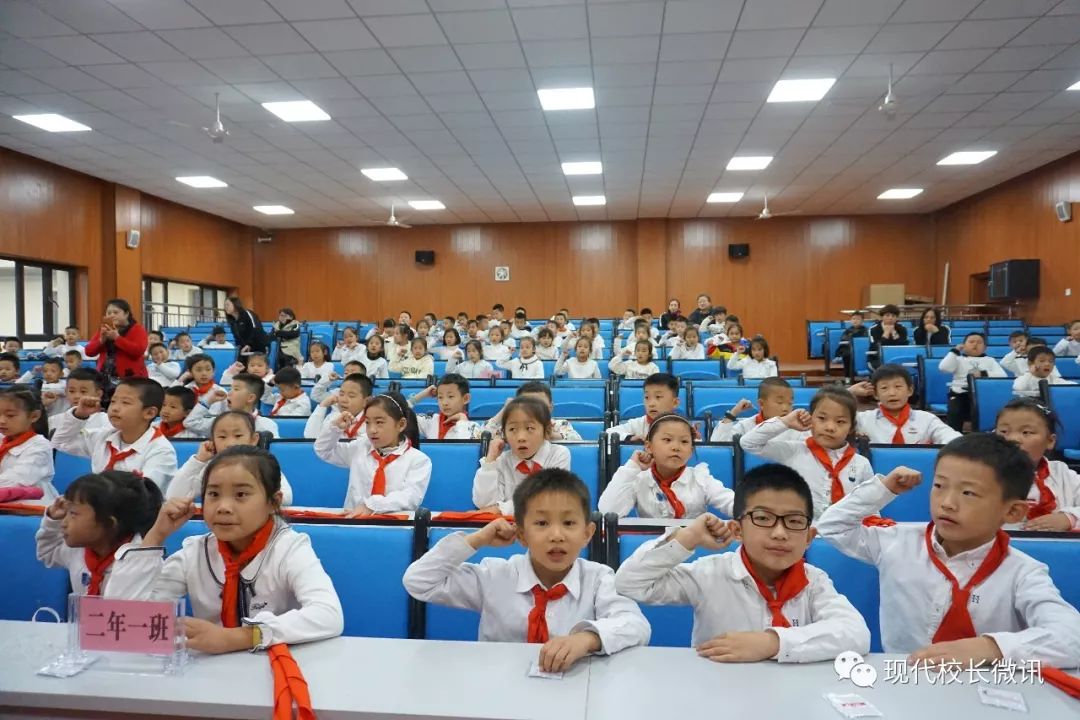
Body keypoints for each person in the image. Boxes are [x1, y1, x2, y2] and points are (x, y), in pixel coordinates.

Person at [816, 433, 1080, 667]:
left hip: (985, 685)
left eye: (968, 493)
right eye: (939, 486)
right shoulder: (897, 541)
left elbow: (1071, 636)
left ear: (1012, 511)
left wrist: (991, 648)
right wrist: (883, 489)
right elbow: (832, 526)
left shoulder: (1022, 572)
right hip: (903, 678)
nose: (947, 503)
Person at [615, 464, 871, 662]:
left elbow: (856, 633)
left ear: (808, 538)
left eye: (794, 521)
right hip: (717, 692)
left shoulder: (813, 581)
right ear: (737, 530)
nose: (780, 533)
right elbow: (630, 584)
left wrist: (773, 643)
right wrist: (688, 537)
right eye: (763, 518)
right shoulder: (710, 573)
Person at [404, 468, 650, 672]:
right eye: (542, 523)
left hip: (572, 689)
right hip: (498, 688)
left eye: (568, 523)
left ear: (587, 534)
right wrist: (476, 540)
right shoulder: (495, 575)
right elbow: (419, 582)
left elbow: (636, 625)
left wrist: (587, 638)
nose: (556, 535)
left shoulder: (598, 578)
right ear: (521, 535)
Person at [106, 446, 344, 653]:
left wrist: (239, 637)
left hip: (275, 664)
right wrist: (155, 535)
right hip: (208, 672)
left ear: (274, 502)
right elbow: (124, 619)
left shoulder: (289, 547)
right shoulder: (195, 552)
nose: (223, 507)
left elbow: (328, 615)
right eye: (213, 494)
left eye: (241, 495)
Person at [740, 386, 874, 520]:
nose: (830, 427)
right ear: (811, 418)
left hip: (845, 530)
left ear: (851, 427)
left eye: (840, 422)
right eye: (822, 418)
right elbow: (749, 443)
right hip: (799, 528)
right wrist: (785, 422)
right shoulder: (794, 451)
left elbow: (870, 507)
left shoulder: (861, 464)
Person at [37, 471, 162, 596]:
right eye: (67, 511)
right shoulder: (79, 550)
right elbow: (48, 552)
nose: (63, 523)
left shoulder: (139, 562)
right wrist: (52, 520)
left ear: (109, 523)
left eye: (73, 513)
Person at [314, 392, 430, 516]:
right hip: (353, 521)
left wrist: (372, 505)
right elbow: (323, 450)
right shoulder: (359, 447)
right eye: (368, 422)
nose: (372, 430)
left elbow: (410, 497)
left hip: (395, 524)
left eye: (379, 422)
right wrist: (334, 429)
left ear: (401, 424)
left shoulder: (418, 460)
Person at [50, 377, 178, 489]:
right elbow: (60, 443)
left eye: (125, 402)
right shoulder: (103, 437)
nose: (115, 408)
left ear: (149, 413)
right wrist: (79, 415)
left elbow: (145, 495)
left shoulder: (161, 451)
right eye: (113, 401)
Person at [600, 414, 733, 519]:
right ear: (649, 447)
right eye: (667, 440)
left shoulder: (700, 478)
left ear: (691, 451)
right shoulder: (639, 478)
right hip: (649, 544)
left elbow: (732, 503)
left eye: (684, 441)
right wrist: (632, 467)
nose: (676, 447)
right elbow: (609, 512)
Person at [167, 412, 293, 504]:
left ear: (253, 439)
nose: (230, 443)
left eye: (238, 436)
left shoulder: (264, 465)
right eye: (222, 437)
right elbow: (174, 497)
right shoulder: (209, 468)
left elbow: (286, 498)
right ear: (213, 441)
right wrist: (198, 460)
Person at [473, 397, 571, 516]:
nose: (521, 437)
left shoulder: (558, 454)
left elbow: (550, 499)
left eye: (529, 428)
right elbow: (484, 505)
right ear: (504, 434)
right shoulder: (502, 459)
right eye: (512, 429)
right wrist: (490, 461)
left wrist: (502, 509)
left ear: (546, 431)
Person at [994, 398, 1080, 532]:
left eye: (1026, 432)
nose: (1012, 439)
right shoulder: (982, 474)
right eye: (1004, 431)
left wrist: (1069, 518)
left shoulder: (1062, 474)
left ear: (1050, 441)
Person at [850, 365, 960, 445]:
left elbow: (952, 438)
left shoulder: (927, 419)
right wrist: (849, 391)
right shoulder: (863, 419)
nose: (892, 393)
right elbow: (838, 415)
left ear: (910, 390)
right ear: (875, 394)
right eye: (884, 388)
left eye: (898, 386)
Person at [939, 332, 1007, 431]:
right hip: (960, 393)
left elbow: (1003, 376)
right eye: (971, 342)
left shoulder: (990, 360)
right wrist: (954, 351)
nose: (975, 344)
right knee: (955, 411)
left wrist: (983, 373)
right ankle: (954, 435)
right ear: (964, 345)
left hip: (983, 394)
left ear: (985, 347)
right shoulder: (958, 359)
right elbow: (944, 368)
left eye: (979, 342)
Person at [0, 388, 56, 503]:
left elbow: (18, 479)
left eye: (10, 415)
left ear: (34, 416)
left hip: (31, 507)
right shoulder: (2, 439)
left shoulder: (40, 446)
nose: (2, 420)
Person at [482, 382, 583, 442]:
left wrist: (552, 435)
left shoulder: (560, 425)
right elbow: (482, 434)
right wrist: (506, 409)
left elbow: (577, 441)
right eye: (527, 404)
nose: (533, 410)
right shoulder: (510, 427)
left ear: (551, 407)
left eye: (540, 404)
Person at [710, 377, 797, 442]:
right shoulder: (745, 426)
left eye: (790, 403)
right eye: (780, 402)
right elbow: (717, 446)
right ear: (762, 404)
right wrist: (732, 414)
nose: (786, 408)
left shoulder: (797, 428)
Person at [85, 298, 148, 381]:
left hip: (130, 378)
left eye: (116, 312)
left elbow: (138, 351)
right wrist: (101, 341)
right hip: (103, 376)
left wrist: (117, 338)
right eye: (109, 313)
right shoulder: (104, 329)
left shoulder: (138, 329)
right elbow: (88, 352)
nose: (111, 315)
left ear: (126, 314)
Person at [607, 373, 681, 441]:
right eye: (647, 397)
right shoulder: (638, 424)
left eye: (658, 397)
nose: (651, 404)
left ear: (675, 403)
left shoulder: (683, 427)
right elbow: (609, 433)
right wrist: (629, 437)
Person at [204, 373, 279, 438]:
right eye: (230, 389)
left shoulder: (267, 425)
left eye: (236, 389)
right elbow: (196, 425)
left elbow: (273, 449)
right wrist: (207, 402)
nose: (229, 393)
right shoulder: (219, 422)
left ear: (250, 398)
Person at [407, 374, 479, 440]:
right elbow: (401, 415)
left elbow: (465, 448)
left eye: (450, 396)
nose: (444, 403)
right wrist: (419, 397)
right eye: (440, 397)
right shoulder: (431, 420)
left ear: (466, 398)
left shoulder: (474, 427)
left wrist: (462, 420)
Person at [305, 373, 372, 440]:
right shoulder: (333, 418)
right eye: (341, 394)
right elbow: (310, 437)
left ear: (366, 401)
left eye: (351, 396)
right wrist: (322, 406)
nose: (344, 400)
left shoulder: (372, 423)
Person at [868, 304, 908, 370]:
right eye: (887, 315)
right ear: (882, 317)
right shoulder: (873, 329)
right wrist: (885, 334)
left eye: (893, 316)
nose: (890, 318)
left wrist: (894, 334)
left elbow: (904, 346)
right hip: (877, 358)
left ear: (896, 318)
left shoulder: (902, 328)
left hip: (897, 356)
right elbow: (875, 347)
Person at [836, 312, 869, 377]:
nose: (855, 321)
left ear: (862, 321)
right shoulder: (847, 331)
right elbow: (844, 342)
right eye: (853, 319)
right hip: (849, 350)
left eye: (858, 319)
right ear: (850, 320)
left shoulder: (867, 330)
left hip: (862, 350)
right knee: (846, 354)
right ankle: (848, 377)